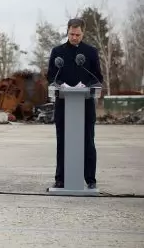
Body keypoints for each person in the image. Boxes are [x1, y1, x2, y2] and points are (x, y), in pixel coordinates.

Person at [46, 18, 103, 190]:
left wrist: (88, 85)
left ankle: (90, 179)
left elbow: (98, 77)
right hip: (64, 104)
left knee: (88, 141)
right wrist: (59, 84)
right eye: (71, 34)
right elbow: (50, 76)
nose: (74, 37)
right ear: (67, 31)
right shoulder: (58, 52)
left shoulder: (91, 52)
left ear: (83, 33)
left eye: (78, 35)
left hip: (85, 104)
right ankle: (60, 178)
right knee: (62, 141)